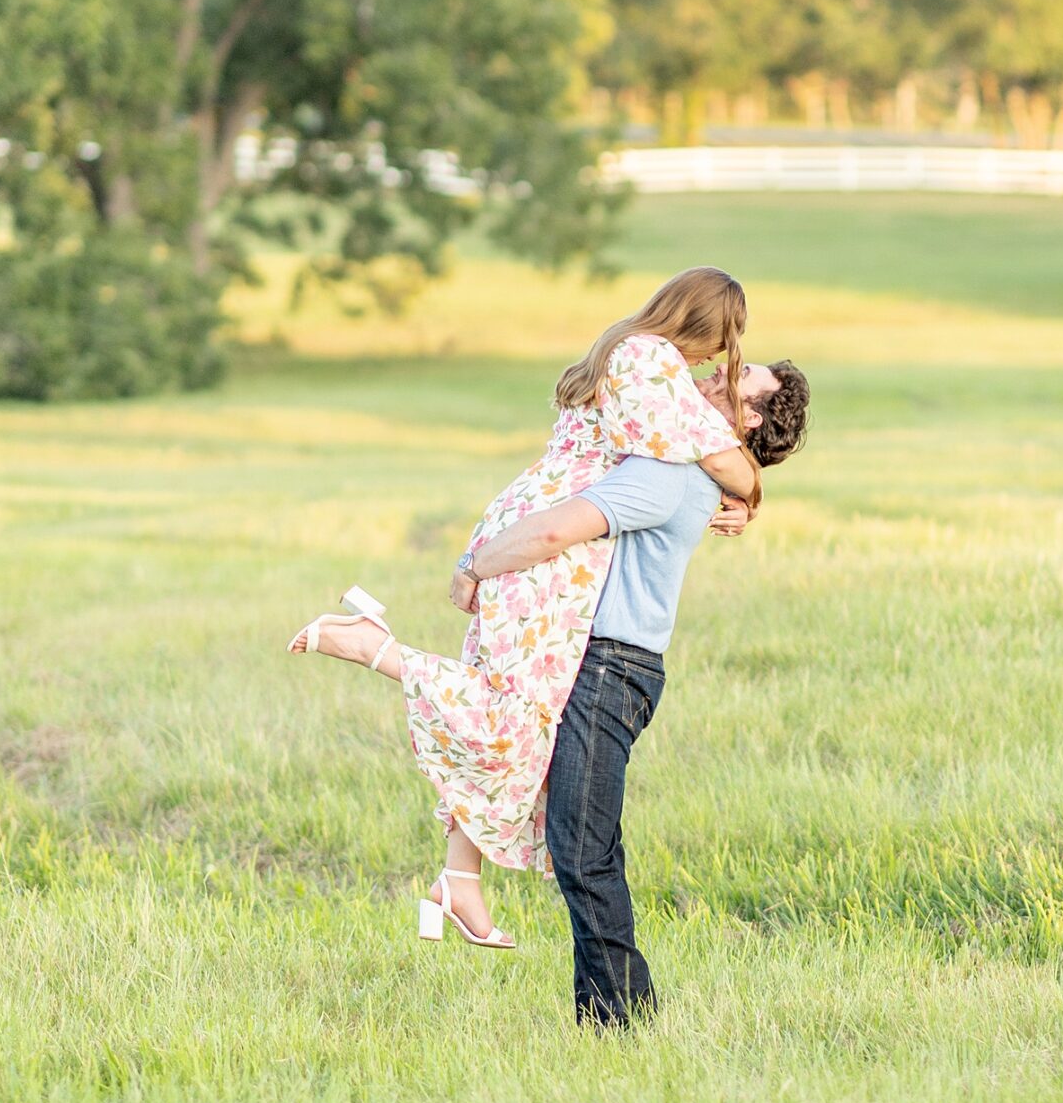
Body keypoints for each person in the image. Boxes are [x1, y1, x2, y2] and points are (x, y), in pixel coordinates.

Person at [288, 270, 763, 946]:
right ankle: (371, 646)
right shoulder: (652, 360)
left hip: (531, 519)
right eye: (716, 346)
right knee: (515, 710)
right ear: (698, 324)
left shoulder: (621, 346)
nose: (713, 364)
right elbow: (727, 460)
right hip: (551, 547)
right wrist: (750, 494)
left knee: (513, 706)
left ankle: (460, 882)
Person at [453, 356, 810, 1023]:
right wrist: (745, 494)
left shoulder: (669, 472)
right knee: (581, 838)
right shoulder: (685, 460)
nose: (716, 369)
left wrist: (473, 567)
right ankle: (614, 1008)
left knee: (580, 846)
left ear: (750, 416)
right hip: (606, 662)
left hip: (609, 667)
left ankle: (618, 1018)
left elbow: (559, 529)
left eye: (740, 375)